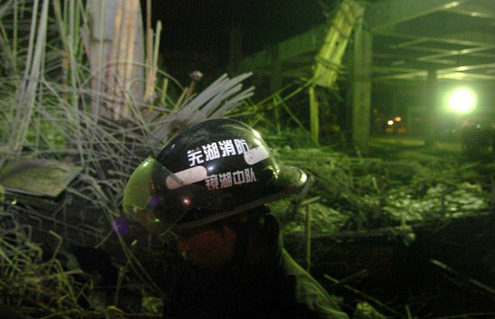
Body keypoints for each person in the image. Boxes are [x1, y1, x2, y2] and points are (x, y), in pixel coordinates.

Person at [123, 119, 348, 319]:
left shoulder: (301, 309)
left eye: (189, 232)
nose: (181, 245)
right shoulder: (200, 271)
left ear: (241, 219)